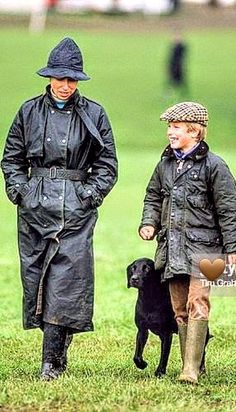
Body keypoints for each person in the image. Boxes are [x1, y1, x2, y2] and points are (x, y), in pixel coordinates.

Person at [1, 37, 118, 381]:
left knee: (67, 282)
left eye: (72, 79)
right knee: (37, 278)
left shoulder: (95, 114)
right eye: (59, 78)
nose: (65, 86)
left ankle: (50, 362)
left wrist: (90, 194)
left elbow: (107, 164)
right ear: (48, 78)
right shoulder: (28, 111)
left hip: (76, 210)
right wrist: (19, 191)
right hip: (34, 207)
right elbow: (11, 159)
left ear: (79, 80)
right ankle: (57, 351)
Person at [139, 101, 236, 384]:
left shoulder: (215, 166)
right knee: (179, 308)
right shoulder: (164, 164)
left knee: (198, 303)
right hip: (172, 249)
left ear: (194, 132)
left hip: (209, 251)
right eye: (169, 127)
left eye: (176, 127)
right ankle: (194, 363)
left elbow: (229, 210)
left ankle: (189, 371)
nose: (170, 132)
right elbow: (153, 196)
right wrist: (148, 222)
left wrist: (232, 250)